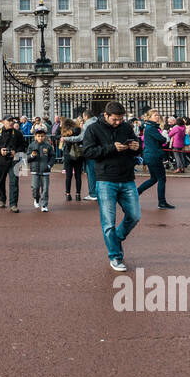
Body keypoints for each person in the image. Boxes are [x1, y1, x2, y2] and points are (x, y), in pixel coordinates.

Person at [82, 102, 141, 272]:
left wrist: (137, 147)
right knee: (108, 222)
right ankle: (115, 256)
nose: (118, 122)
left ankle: (116, 238)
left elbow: (135, 147)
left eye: (121, 119)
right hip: (106, 180)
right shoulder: (93, 129)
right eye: (115, 119)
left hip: (127, 177)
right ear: (106, 115)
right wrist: (111, 148)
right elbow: (88, 152)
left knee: (135, 215)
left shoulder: (126, 127)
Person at [136, 109, 175, 209]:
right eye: (155, 115)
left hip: (151, 155)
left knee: (154, 179)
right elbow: (162, 140)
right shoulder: (151, 128)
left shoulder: (150, 127)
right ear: (149, 117)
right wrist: (165, 135)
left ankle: (136, 193)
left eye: (158, 115)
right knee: (162, 179)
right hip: (154, 156)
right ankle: (162, 202)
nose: (157, 117)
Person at [0, 116, 24, 212]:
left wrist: (15, 151)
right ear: (3, 122)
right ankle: (2, 199)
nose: (11, 122)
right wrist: (0, 151)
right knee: (0, 181)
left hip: (15, 161)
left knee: (14, 182)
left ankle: (13, 204)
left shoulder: (18, 133)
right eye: (9, 120)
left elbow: (23, 146)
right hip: (1, 161)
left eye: (12, 120)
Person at [27, 125, 55, 212]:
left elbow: (52, 157)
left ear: (45, 136)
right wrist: (32, 155)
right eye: (38, 136)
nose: (40, 137)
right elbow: (27, 158)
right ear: (35, 136)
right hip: (35, 170)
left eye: (42, 136)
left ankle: (44, 205)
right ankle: (36, 198)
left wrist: (49, 165)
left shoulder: (48, 146)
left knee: (45, 188)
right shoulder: (31, 145)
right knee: (35, 187)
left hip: (45, 170)